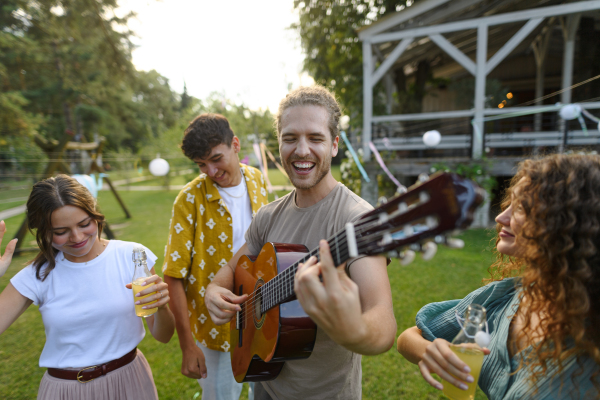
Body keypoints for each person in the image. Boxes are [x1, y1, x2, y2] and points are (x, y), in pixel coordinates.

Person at [205, 85, 397, 400]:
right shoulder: (268, 216)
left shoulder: (358, 221)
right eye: (290, 138)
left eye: (316, 138)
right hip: (263, 379)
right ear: (279, 143)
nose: (302, 150)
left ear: (335, 145)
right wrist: (214, 289)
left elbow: (383, 320)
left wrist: (354, 330)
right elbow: (230, 267)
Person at [397, 153, 600, 399]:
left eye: (522, 208)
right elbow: (409, 338)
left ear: (570, 226)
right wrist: (430, 352)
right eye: (509, 204)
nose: (500, 217)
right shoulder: (504, 300)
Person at [0, 175, 175, 400]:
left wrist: (162, 308)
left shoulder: (132, 256)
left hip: (131, 381)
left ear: (95, 214)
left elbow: (163, 335)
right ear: (42, 230)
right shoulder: (37, 275)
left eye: (84, 224)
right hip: (66, 391)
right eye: (61, 231)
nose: (78, 237)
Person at [162, 113, 268, 399]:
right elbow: (173, 275)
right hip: (213, 327)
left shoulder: (257, 180)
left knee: (265, 391)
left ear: (235, 144)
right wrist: (187, 345)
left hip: (263, 312)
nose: (210, 170)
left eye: (216, 159)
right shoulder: (189, 199)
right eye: (200, 164)